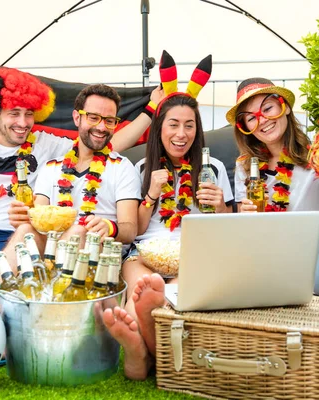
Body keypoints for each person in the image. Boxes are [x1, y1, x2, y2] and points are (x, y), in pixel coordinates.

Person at [0, 68, 162, 298]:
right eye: (14, 113)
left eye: (29, 114)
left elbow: (100, 140)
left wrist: (150, 110)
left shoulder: (46, 145)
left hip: (4, 242)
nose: (23, 122)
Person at [102, 51, 234, 380]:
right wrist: (150, 195)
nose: (181, 133)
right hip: (145, 254)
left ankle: (141, 356)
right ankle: (143, 353)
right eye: (173, 124)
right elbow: (136, 229)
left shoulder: (213, 168)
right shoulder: (141, 168)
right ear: (160, 127)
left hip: (193, 255)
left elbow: (230, 229)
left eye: (189, 125)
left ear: (197, 130)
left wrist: (219, 207)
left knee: (169, 293)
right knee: (140, 286)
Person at [0, 84, 142, 309]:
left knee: (78, 230)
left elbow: (130, 229)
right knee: (24, 232)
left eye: (109, 120)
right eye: (93, 117)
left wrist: (109, 227)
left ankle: (42, 307)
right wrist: (23, 217)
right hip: (50, 251)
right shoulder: (52, 168)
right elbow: (39, 219)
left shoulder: (121, 167)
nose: (101, 126)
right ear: (77, 117)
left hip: (97, 256)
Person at [228, 78, 319, 343]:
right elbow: (246, 234)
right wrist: (245, 217)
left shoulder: (318, 156)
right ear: (244, 128)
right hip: (264, 257)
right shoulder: (246, 167)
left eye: (267, 108)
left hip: (313, 259)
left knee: (252, 289)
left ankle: (317, 305)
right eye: (250, 117)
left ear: (285, 108)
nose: (262, 120)